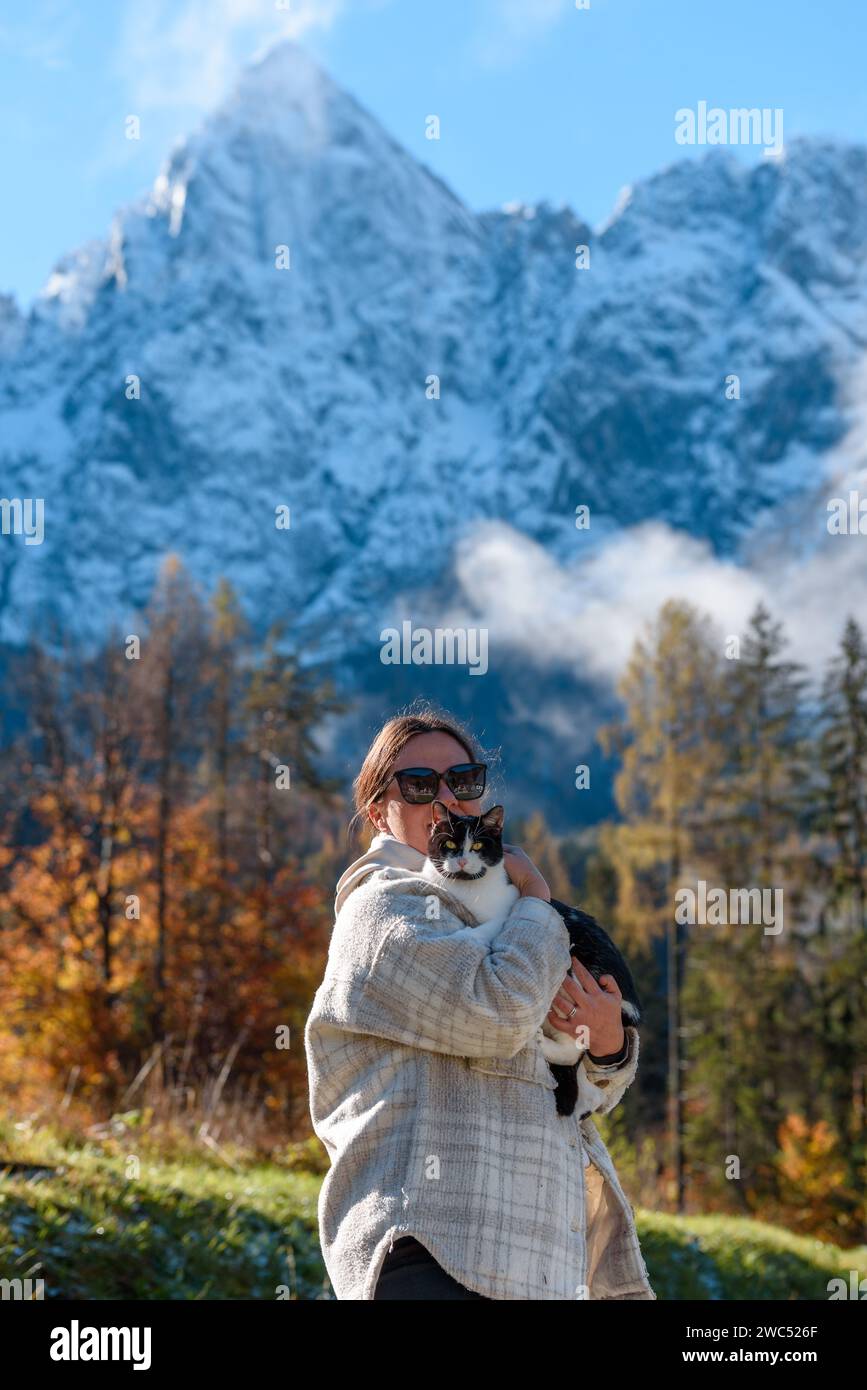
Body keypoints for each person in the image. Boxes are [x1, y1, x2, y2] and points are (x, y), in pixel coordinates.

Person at [303, 707, 656, 1300]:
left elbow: (583, 1091)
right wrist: (539, 898)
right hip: (434, 1250)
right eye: (420, 786)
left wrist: (609, 1044)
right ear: (376, 812)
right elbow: (496, 1018)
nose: (448, 799)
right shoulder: (382, 913)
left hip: (538, 1262)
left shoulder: (506, 918)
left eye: (464, 781)